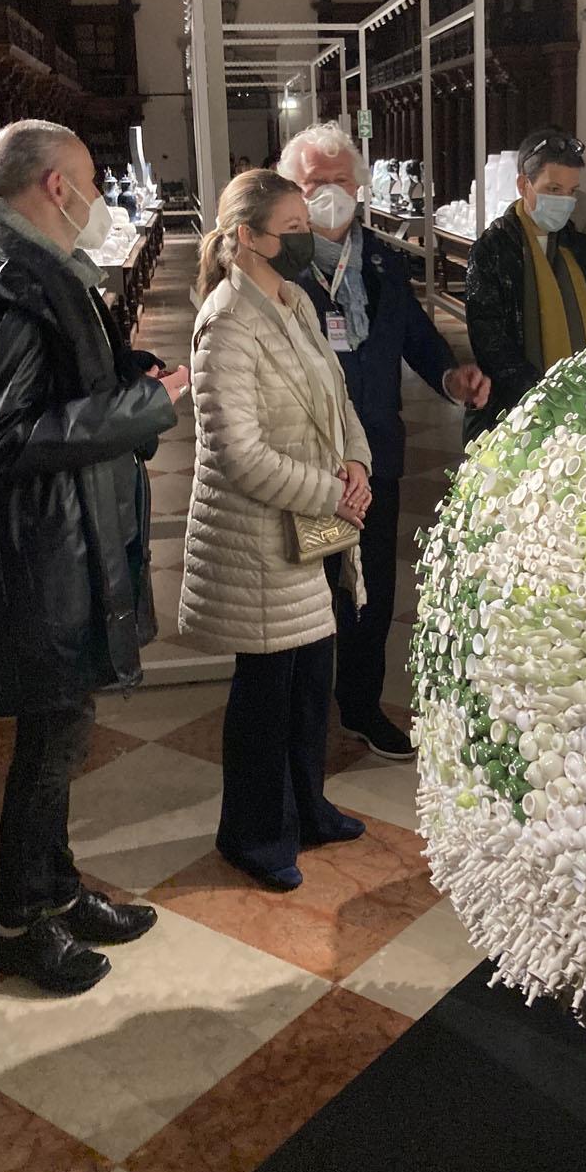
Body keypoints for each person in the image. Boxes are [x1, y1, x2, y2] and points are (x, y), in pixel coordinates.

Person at [0, 120, 188, 996]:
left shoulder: (38, 268)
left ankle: (58, 888)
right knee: (47, 741)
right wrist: (139, 412)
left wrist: (129, 377)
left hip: (68, 540)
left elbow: (58, 390)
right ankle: (16, 922)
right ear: (52, 187)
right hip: (36, 554)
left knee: (66, 730)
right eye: (88, 183)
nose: (99, 202)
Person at [180, 170, 373, 891]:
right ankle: (254, 834)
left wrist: (357, 461)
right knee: (266, 691)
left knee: (308, 681)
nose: (307, 239)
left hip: (314, 524)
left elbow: (337, 395)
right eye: (291, 229)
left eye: (306, 226)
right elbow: (239, 452)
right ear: (247, 237)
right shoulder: (226, 321)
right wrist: (334, 493)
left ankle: (309, 808)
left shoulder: (294, 302)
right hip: (261, 539)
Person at [279, 123, 490, 759]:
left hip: (377, 455)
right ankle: (306, 718)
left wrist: (452, 375)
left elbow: (416, 336)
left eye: (341, 183)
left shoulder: (380, 259)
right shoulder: (278, 267)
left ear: (361, 187)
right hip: (314, 464)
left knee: (372, 589)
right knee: (316, 591)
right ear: (293, 188)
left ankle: (363, 705)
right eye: (316, 184)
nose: (330, 196)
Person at [464, 128, 586, 445]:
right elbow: (490, 341)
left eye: (571, 191)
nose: (564, 201)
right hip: (516, 412)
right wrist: (548, 394)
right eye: (553, 189)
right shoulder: (493, 250)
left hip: (585, 405)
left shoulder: (581, 249)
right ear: (524, 185)